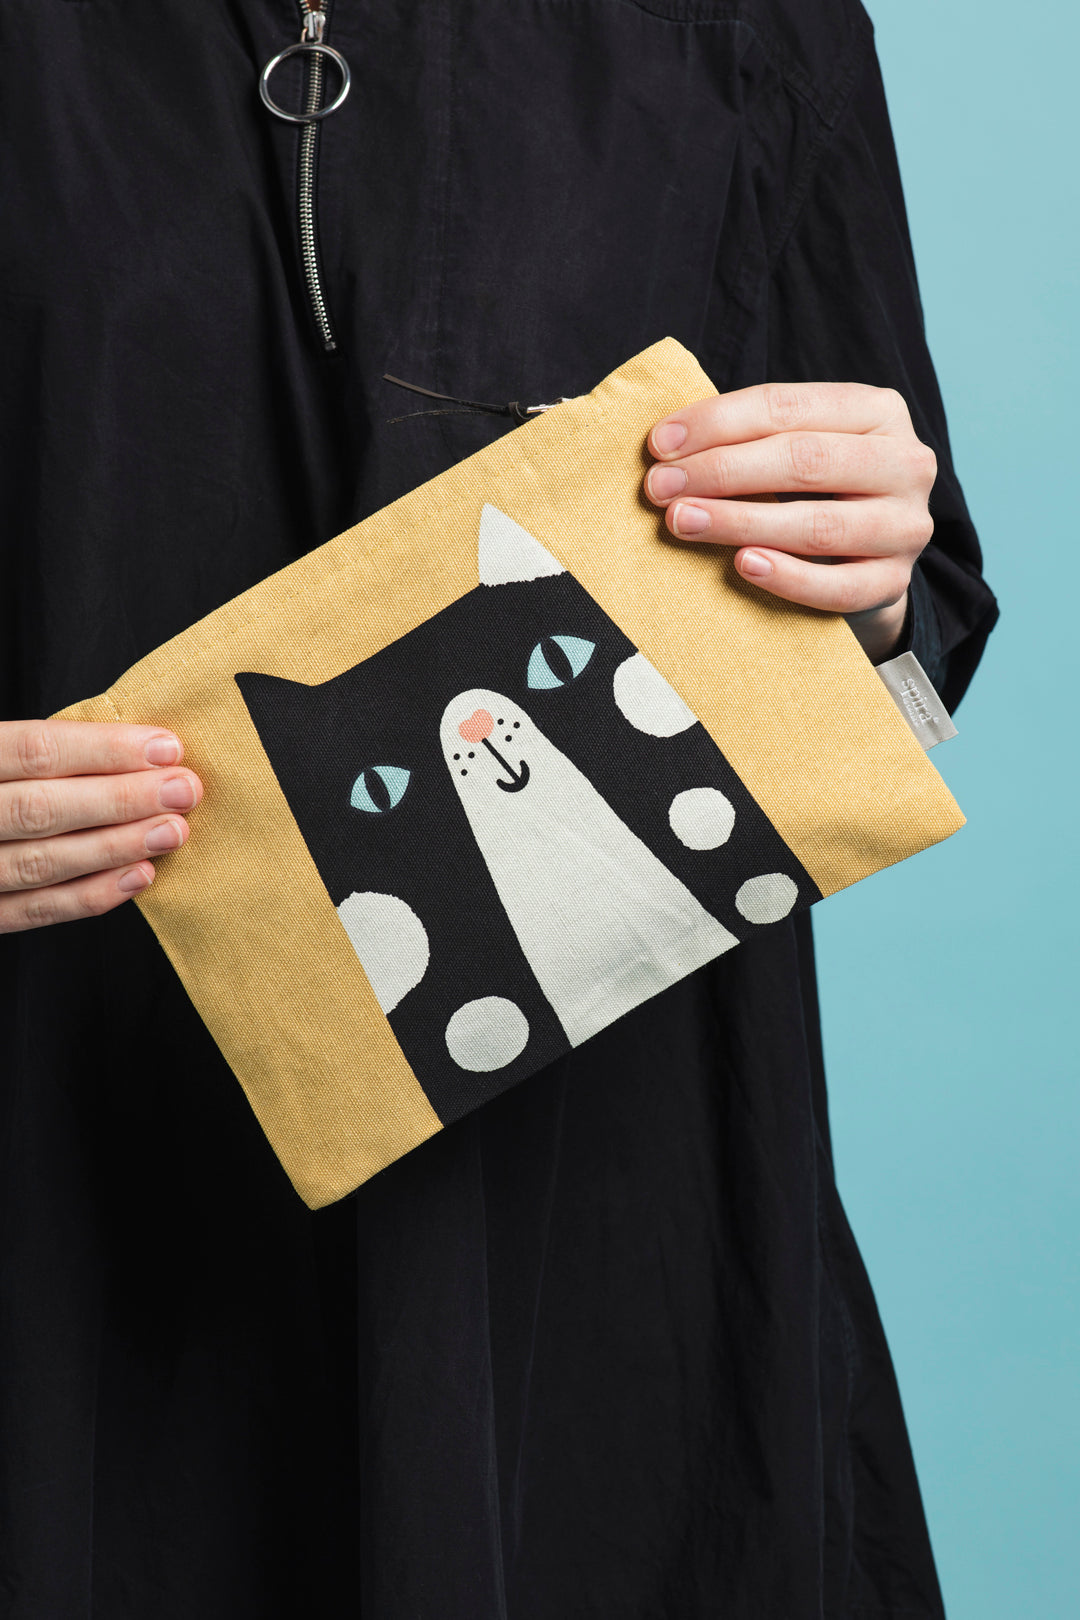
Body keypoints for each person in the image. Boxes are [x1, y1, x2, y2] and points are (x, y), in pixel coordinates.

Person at [0, 2, 998, 1615]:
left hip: (609, 1226)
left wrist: (870, 563)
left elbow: (921, 634)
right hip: (65, 1208)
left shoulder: (759, 25)